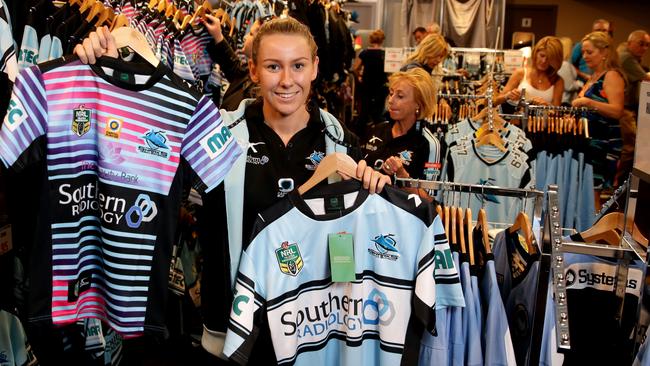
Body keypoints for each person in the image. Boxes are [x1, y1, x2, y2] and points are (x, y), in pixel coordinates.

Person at [74, 18, 391, 362]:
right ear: (253, 70)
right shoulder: (217, 134)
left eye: (297, 66)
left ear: (314, 68)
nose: (287, 80)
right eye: (273, 66)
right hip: (231, 340)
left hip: (314, 337)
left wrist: (378, 189)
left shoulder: (340, 144)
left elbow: (351, 245)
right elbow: (140, 149)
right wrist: (107, 64)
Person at [362, 68, 440, 201]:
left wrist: (402, 175)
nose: (391, 100)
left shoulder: (429, 144)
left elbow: (428, 199)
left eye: (400, 96)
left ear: (419, 103)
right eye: (391, 94)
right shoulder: (377, 130)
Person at [571, 31, 625, 206]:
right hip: (587, 144)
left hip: (602, 145)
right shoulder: (592, 77)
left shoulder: (611, 76)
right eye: (583, 52)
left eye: (589, 52)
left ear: (604, 53)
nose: (584, 57)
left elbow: (617, 111)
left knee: (593, 195)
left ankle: (593, 232)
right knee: (583, 194)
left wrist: (588, 102)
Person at [200, 14, 272, 111]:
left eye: (250, 34)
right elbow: (236, 70)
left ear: (262, 44)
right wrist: (218, 36)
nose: (245, 37)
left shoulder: (257, 95)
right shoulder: (254, 73)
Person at [616, 29, 649, 185]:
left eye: (647, 45)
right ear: (630, 43)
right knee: (629, 148)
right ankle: (619, 183)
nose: (644, 48)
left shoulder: (633, 58)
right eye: (641, 44)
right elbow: (645, 77)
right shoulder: (626, 57)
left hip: (631, 109)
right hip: (625, 109)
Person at [497, 36, 564, 106]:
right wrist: (508, 95)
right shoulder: (520, 73)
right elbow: (497, 101)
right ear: (535, 53)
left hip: (544, 117)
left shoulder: (558, 81)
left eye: (549, 58)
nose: (544, 61)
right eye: (542, 55)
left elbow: (556, 110)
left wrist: (547, 105)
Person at [353, 29, 388, 128]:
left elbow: (355, 68)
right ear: (382, 40)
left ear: (370, 40)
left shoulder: (364, 53)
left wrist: (359, 77)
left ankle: (359, 137)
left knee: (363, 113)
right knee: (378, 114)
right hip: (380, 87)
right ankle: (379, 134)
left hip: (366, 86)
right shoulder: (384, 54)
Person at [557, 36, 581, 105]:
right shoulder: (564, 64)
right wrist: (580, 84)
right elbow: (569, 86)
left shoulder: (562, 63)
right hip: (565, 101)